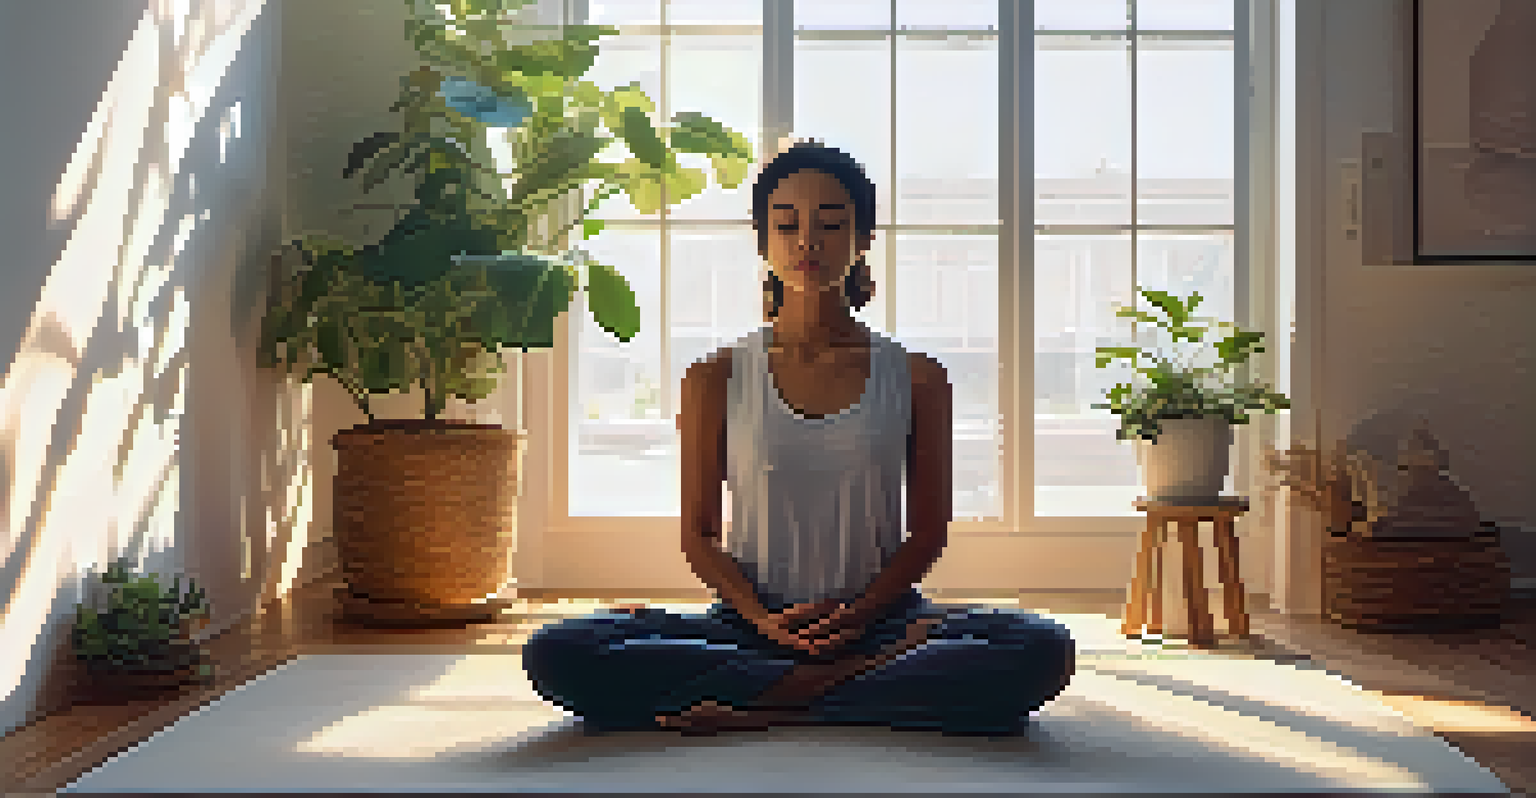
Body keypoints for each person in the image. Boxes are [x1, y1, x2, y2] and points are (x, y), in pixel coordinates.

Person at [521, 140, 1076, 737]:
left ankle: (771, 700)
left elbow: (928, 533)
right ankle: (858, 685)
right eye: (786, 224)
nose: (807, 241)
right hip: (748, 624)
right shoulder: (715, 376)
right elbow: (699, 534)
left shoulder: (917, 376)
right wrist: (766, 621)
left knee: (1039, 647)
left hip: (884, 619)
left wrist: (858, 618)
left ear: (863, 239)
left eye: (831, 223)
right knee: (560, 650)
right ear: (763, 241)